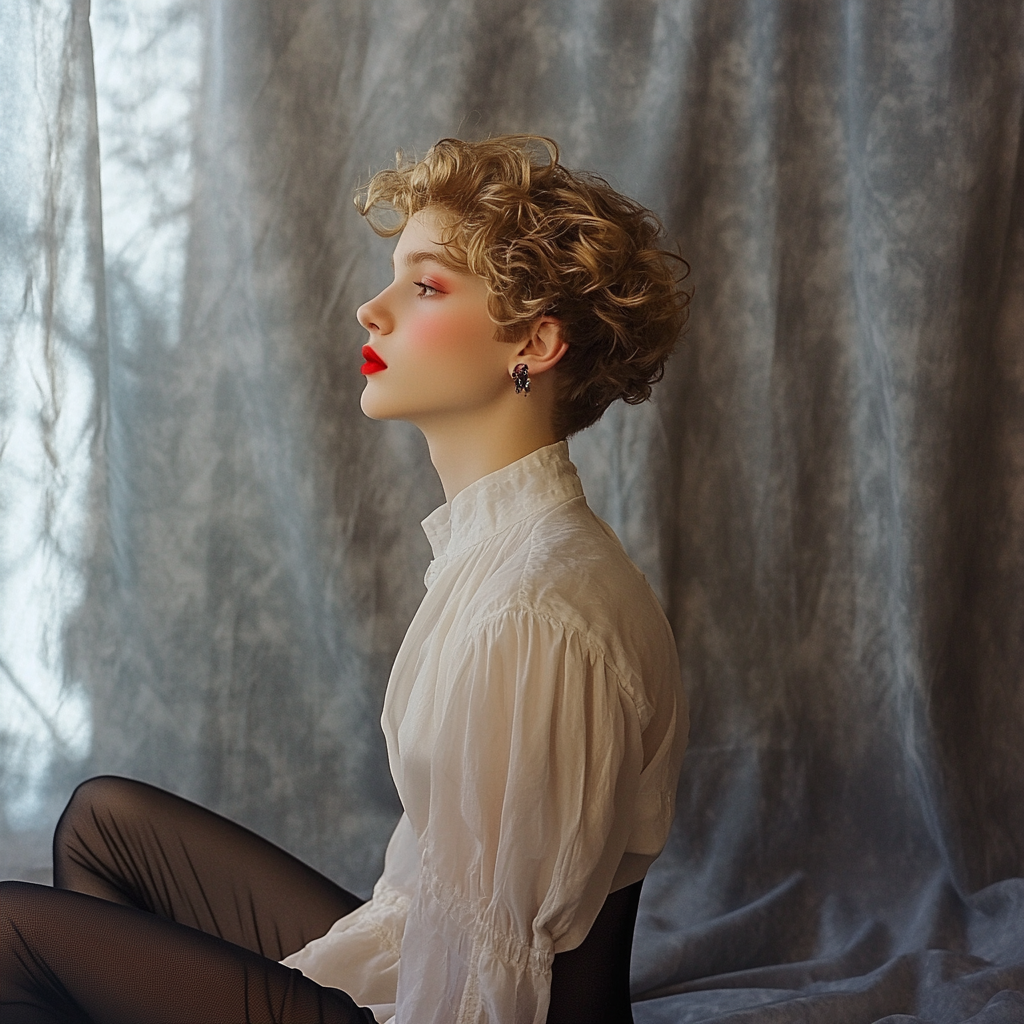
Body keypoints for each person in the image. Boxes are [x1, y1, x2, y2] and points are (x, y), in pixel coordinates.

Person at [0, 134, 690, 1024]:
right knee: (105, 822)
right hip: (424, 946)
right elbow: (445, 909)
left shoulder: (532, 609)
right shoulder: (500, 550)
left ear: (535, 342)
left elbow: (493, 980)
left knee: (12, 930)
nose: (372, 309)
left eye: (426, 286)